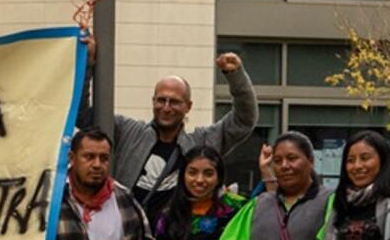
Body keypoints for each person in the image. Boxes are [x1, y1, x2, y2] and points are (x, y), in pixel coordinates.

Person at [79, 41, 259, 214]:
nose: (166, 107)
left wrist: (236, 77)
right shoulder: (127, 131)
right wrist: (86, 64)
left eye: (174, 102)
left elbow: (243, 121)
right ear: (153, 101)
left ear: (188, 106)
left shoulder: (201, 143)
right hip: (129, 238)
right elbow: (82, 116)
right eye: (161, 100)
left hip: (178, 239)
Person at [221, 132, 330, 240]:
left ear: (310, 161)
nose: (284, 166)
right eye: (278, 161)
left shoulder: (330, 200)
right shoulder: (258, 203)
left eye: (292, 158)